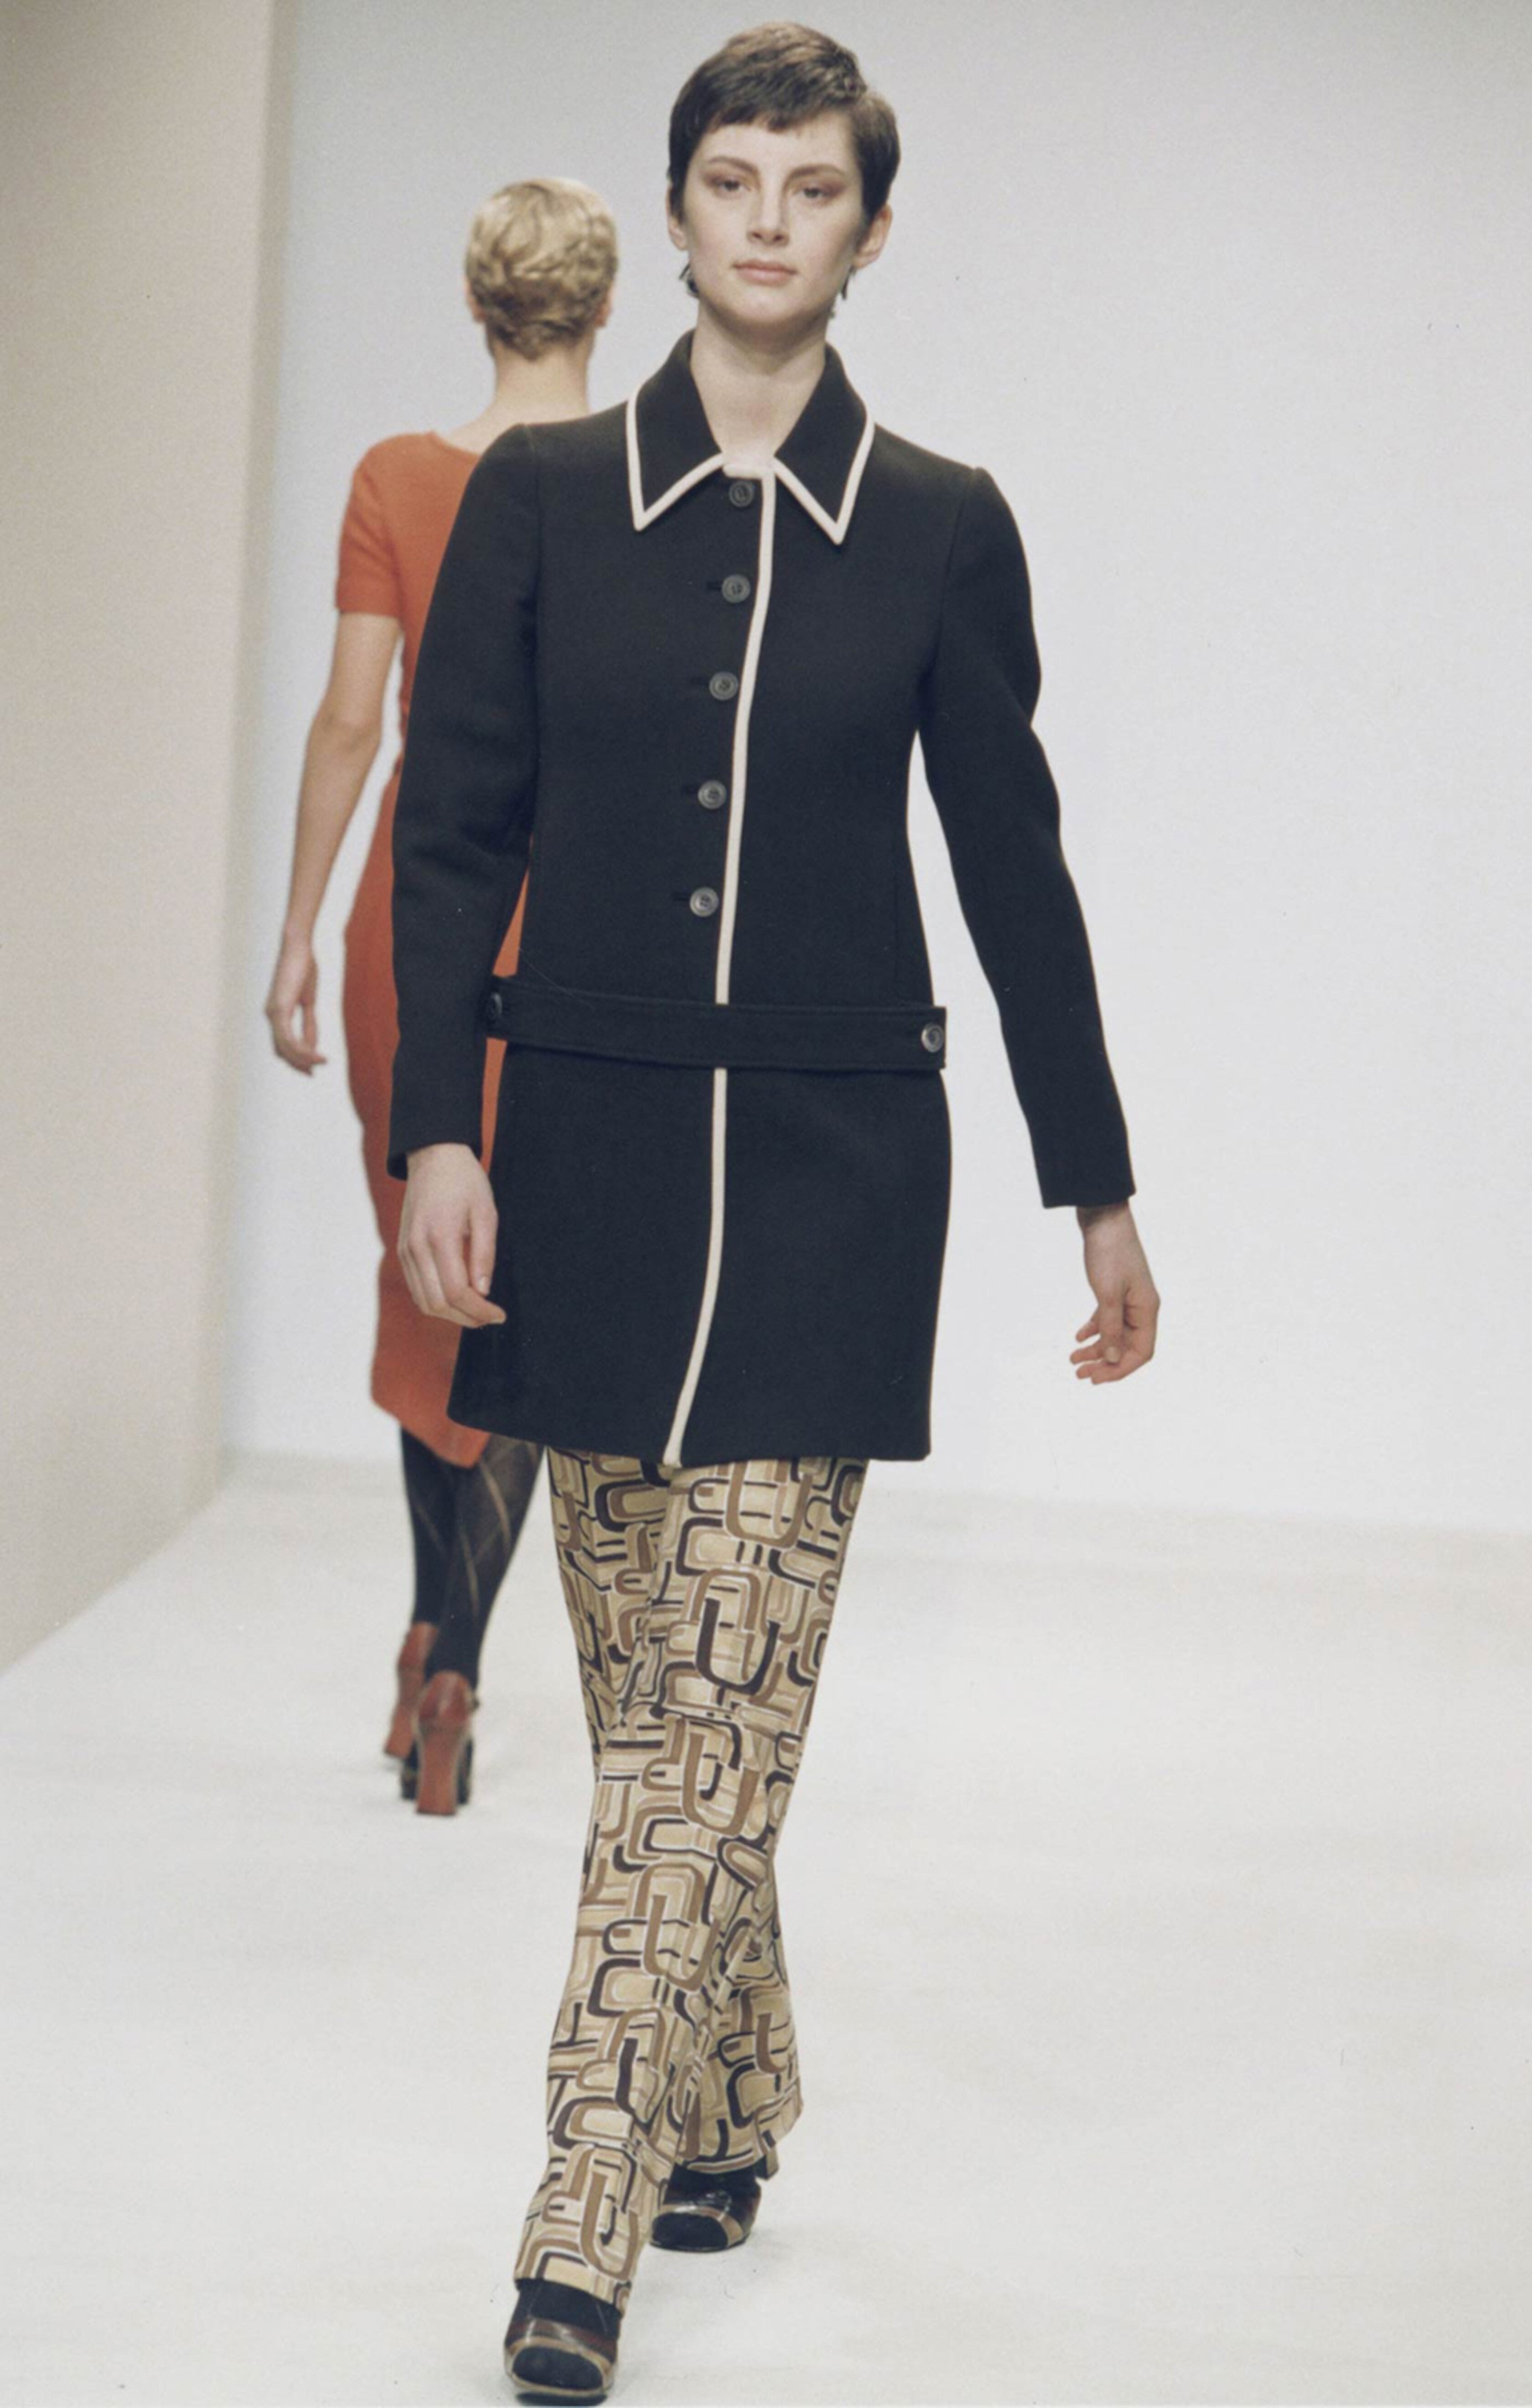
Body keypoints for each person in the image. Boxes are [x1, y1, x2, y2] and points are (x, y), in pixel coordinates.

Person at [389, 21, 1160, 2394]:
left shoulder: (937, 526)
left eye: (811, 187)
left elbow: (1013, 866)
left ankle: (580, 2224)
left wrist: (1097, 1182)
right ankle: (736, 2097)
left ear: (869, 231)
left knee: (708, 1712)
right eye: (732, 179)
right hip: (582, 1175)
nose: (766, 219)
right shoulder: (541, 503)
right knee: (676, 1725)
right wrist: (437, 1130)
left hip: (833, 1190)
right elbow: (457, 831)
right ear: (679, 209)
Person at [264, 178, 618, 1814]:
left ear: (479, 306)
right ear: (604, 308)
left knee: (428, 1266)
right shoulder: (637, 485)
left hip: (416, 913)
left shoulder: (399, 478)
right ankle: (461, 1655)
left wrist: (297, 929)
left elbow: (352, 722)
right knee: (525, 1283)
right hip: (579, 928)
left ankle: (430, 1645)